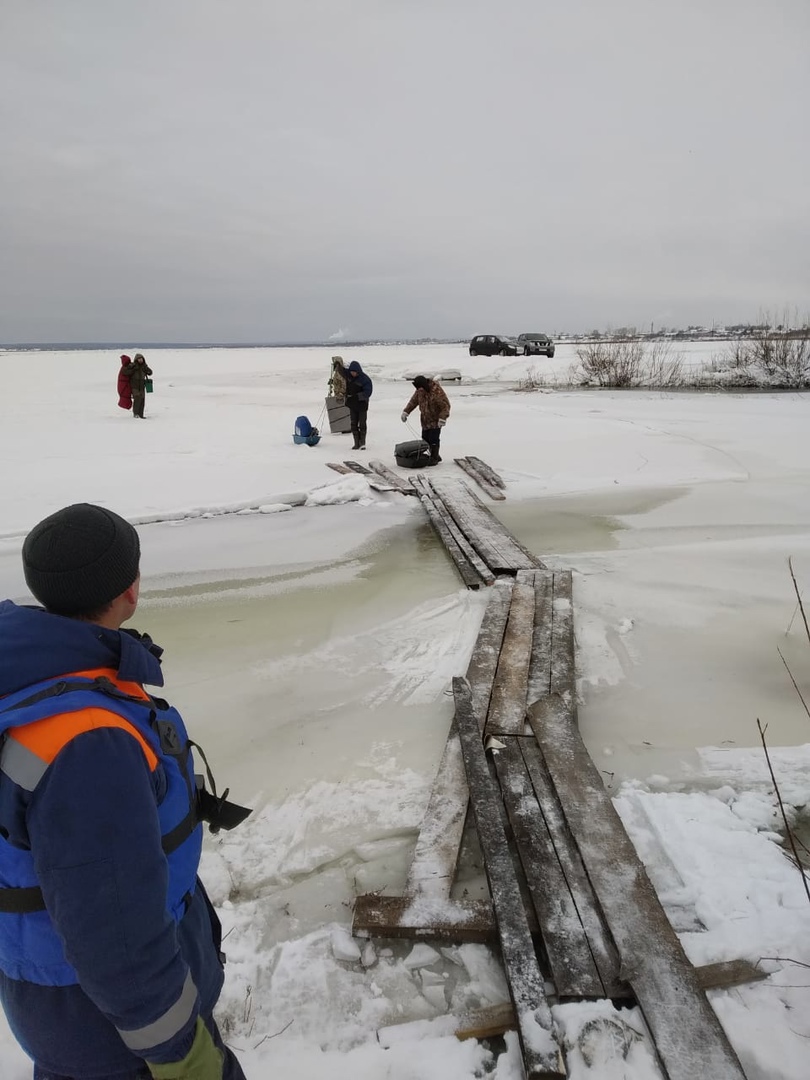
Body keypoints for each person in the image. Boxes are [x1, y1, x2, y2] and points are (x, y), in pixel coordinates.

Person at [0, 503, 249, 1080]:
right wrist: (181, 1055)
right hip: (115, 1034)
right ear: (130, 590)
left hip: (64, 1009)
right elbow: (112, 929)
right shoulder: (89, 742)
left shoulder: (34, 675)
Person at [401, 375, 451, 466]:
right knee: (425, 439)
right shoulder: (419, 391)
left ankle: (434, 457)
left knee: (433, 439)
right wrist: (406, 412)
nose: (419, 390)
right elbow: (413, 402)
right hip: (425, 420)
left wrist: (442, 419)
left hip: (436, 420)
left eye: (420, 388)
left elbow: (445, 406)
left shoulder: (436, 391)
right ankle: (433, 455)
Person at [333, 359, 373, 450]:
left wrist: (357, 396)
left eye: (354, 372)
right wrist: (338, 365)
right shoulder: (349, 375)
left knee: (362, 423)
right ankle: (356, 443)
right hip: (352, 404)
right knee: (353, 424)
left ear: (358, 371)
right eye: (351, 372)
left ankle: (362, 443)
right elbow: (342, 371)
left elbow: (368, 392)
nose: (353, 374)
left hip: (362, 405)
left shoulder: (365, 379)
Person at [124, 353, 153, 419]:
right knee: (137, 399)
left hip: (142, 385)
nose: (140, 360)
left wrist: (147, 370)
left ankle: (141, 415)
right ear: (136, 360)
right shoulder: (132, 365)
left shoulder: (144, 366)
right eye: (139, 359)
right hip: (134, 386)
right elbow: (125, 372)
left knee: (142, 400)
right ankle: (136, 414)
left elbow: (150, 372)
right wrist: (133, 369)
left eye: (141, 359)